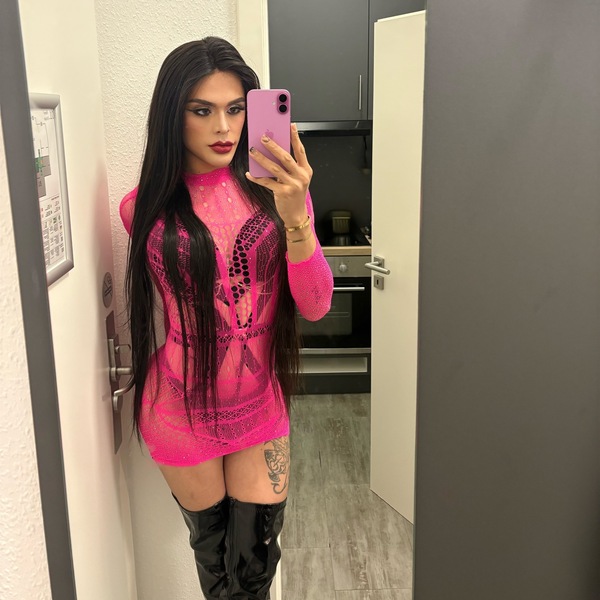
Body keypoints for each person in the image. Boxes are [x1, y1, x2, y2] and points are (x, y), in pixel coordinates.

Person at [120, 36, 333, 599]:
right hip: (178, 410)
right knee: (215, 573)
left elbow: (315, 304)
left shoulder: (279, 195)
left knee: (255, 573)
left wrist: (296, 215)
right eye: (202, 110)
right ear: (173, 115)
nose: (223, 127)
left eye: (236, 109)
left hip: (260, 407)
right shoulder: (142, 208)